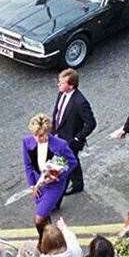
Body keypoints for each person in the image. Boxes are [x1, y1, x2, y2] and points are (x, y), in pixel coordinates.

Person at [22, 114, 77, 238]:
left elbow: (72, 162)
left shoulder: (60, 144)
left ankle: (44, 242)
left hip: (54, 186)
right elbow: (28, 166)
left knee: (39, 219)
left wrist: (59, 175)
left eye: (43, 134)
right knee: (46, 217)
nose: (41, 138)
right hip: (38, 186)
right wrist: (32, 186)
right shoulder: (26, 142)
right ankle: (53, 240)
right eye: (37, 136)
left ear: (48, 131)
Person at [52, 68, 95, 196]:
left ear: (71, 86)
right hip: (59, 136)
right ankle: (78, 184)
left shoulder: (80, 102)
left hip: (71, 140)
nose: (58, 84)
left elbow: (91, 123)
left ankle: (68, 187)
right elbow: (57, 112)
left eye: (62, 82)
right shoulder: (61, 93)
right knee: (72, 160)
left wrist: (77, 138)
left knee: (68, 162)